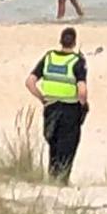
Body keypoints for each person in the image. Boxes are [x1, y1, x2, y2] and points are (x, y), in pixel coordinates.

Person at [24, 27, 88, 183]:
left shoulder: (49, 58)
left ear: (60, 41)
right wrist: (84, 105)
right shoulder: (77, 61)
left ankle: (53, 176)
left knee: (53, 143)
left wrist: (42, 98)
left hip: (50, 107)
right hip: (70, 109)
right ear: (74, 42)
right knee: (68, 146)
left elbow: (30, 82)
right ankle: (63, 179)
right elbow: (82, 90)